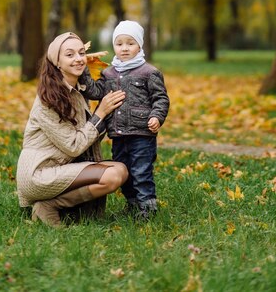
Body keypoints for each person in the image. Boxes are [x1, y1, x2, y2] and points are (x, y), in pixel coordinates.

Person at [16, 31, 128, 227]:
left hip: (60, 167)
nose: (78, 59)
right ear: (56, 62)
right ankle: (49, 205)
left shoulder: (77, 90)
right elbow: (74, 146)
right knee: (112, 175)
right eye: (70, 55)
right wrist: (100, 113)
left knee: (120, 170)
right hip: (39, 174)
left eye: (81, 53)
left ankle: (59, 207)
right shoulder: (47, 100)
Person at [82, 20, 170, 220]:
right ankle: (132, 204)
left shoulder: (149, 72)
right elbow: (96, 92)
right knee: (124, 171)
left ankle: (147, 208)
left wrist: (157, 116)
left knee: (141, 171)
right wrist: (85, 71)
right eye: (119, 43)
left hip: (142, 134)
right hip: (119, 135)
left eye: (130, 43)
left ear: (139, 45)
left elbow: (160, 98)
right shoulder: (109, 73)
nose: (124, 48)